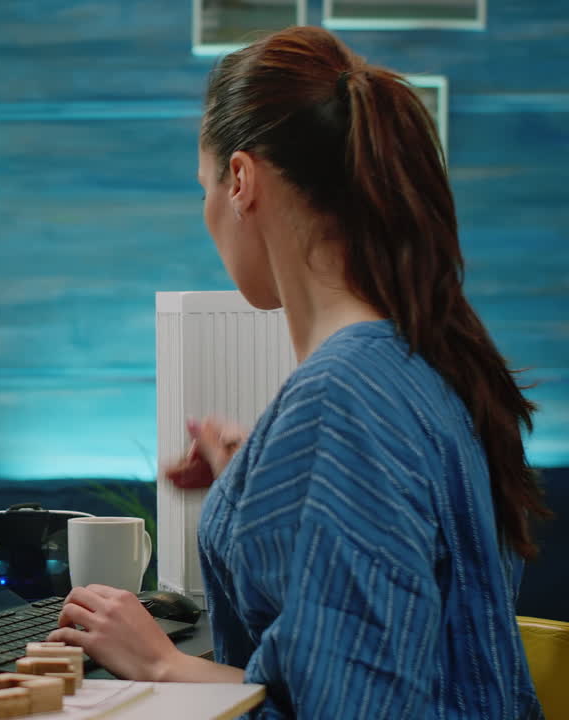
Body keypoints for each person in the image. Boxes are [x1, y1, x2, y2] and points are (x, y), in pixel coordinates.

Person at [47, 26, 548, 719]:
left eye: (205, 188)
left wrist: (161, 661)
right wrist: (267, 482)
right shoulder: (426, 364)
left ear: (242, 181)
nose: (207, 213)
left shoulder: (340, 400)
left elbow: (348, 708)